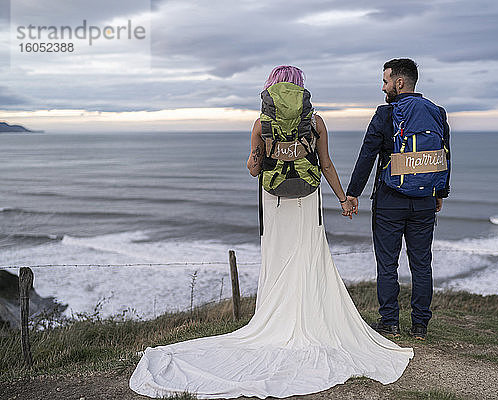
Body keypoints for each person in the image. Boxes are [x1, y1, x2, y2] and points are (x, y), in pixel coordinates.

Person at [129, 65, 413, 399]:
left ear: (272, 89)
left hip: (274, 201)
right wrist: (343, 198)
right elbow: (326, 164)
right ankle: (309, 317)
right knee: (308, 255)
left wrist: (259, 155)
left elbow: (253, 169)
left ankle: (274, 318)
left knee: (278, 258)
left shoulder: (261, 124)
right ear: (300, 89)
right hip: (307, 199)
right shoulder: (316, 122)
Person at [345, 59, 451, 341]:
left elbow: (367, 155)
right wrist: (440, 193)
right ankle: (420, 326)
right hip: (425, 202)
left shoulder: (385, 114)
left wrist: (352, 193)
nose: (383, 87)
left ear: (399, 82)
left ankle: (390, 322)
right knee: (421, 263)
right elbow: (444, 156)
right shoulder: (438, 113)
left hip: (390, 200)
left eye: (385, 81)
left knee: (387, 263)